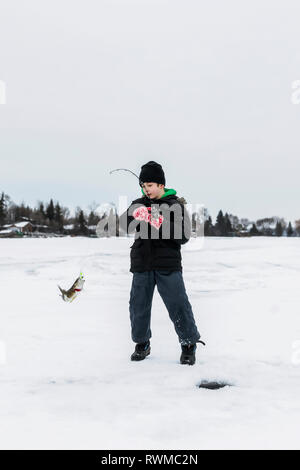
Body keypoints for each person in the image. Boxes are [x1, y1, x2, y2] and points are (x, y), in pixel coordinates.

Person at [119, 161, 204, 365]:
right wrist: (136, 214)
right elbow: (122, 225)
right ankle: (142, 343)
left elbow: (184, 236)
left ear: (161, 185)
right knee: (138, 306)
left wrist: (155, 217)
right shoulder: (138, 203)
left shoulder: (175, 204)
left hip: (168, 265)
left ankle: (188, 344)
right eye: (143, 186)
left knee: (178, 305)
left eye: (149, 185)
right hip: (142, 263)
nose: (146, 189)